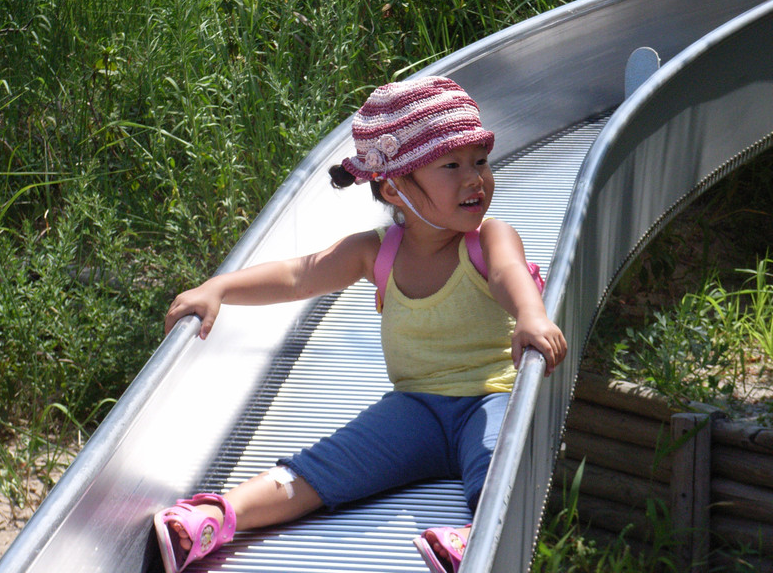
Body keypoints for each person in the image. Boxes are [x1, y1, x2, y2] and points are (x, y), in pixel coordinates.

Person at [154, 76, 567, 573]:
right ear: (394, 188)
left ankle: (478, 537)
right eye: (451, 166)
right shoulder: (376, 251)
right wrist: (220, 288)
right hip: (417, 407)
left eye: (480, 161)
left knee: (500, 455)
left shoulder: (489, 239)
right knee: (328, 464)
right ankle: (218, 517)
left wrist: (531, 314)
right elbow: (298, 275)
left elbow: (509, 275)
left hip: (493, 394)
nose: (474, 178)